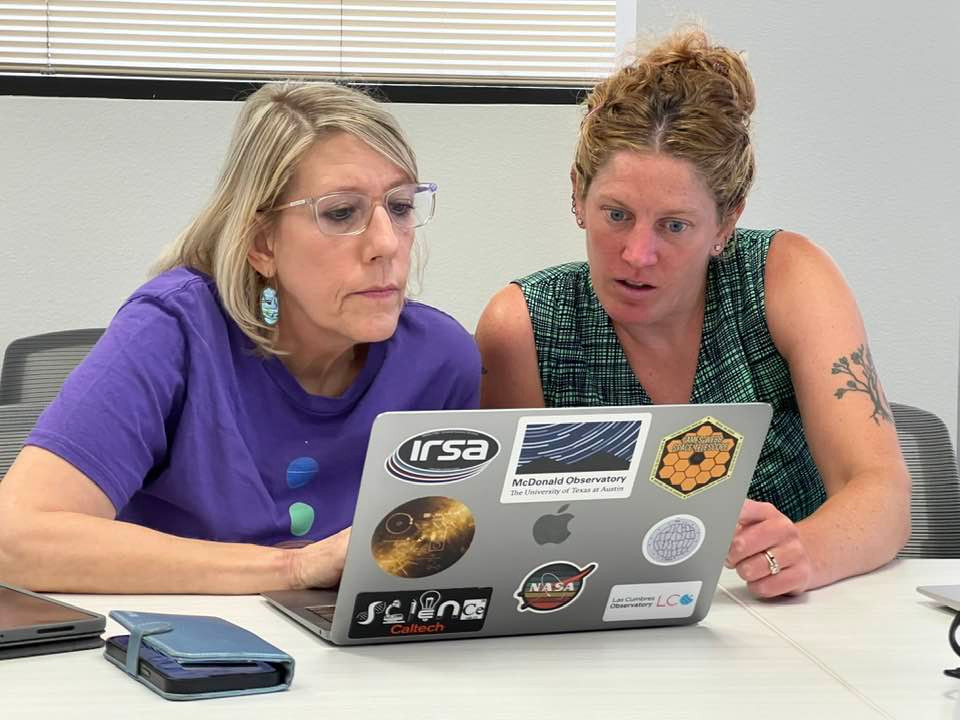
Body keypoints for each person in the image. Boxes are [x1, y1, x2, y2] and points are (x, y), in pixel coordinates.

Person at [476, 28, 910, 598]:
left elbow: (881, 492)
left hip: (789, 622)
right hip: (594, 640)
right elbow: (505, 544)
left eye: (674, 226)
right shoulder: (525, 326)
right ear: (578, 194)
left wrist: (806, 551)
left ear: (725, 222)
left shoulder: (786, 277)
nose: (638, 254)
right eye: (616, 215)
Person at [0, 82, 480, 594]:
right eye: (342, 212)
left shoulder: (441, 359)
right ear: (261, 243)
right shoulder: (175, 330)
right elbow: (15, 540)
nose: (386, 243)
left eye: (401, 207)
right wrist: (291, 570)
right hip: (186, 654)